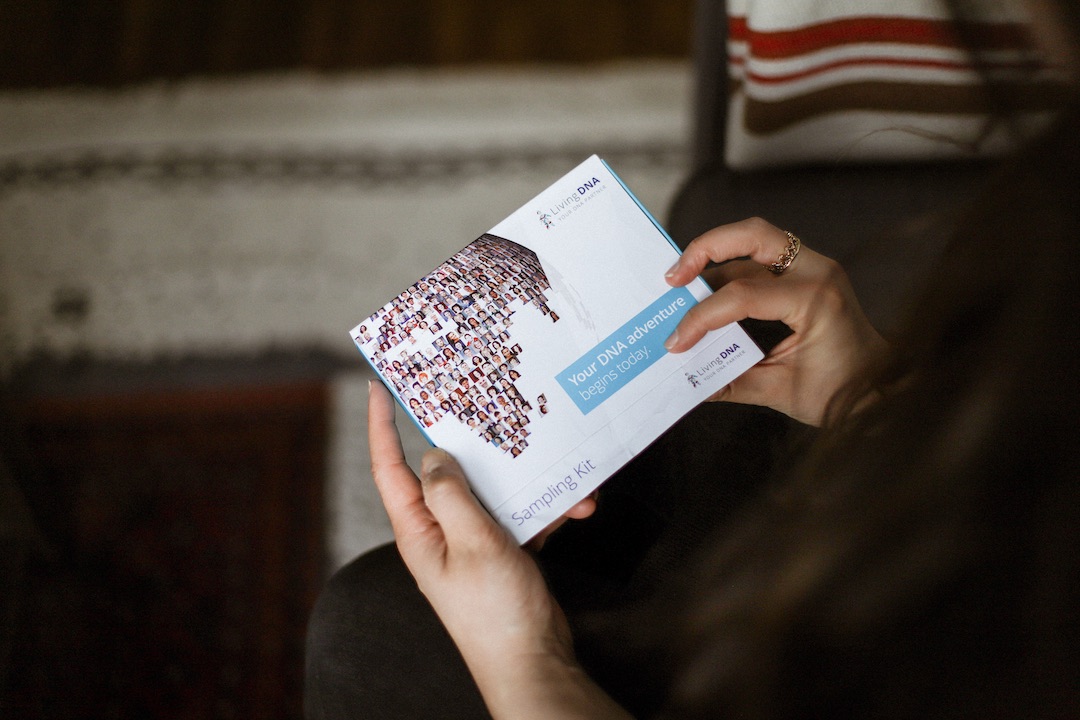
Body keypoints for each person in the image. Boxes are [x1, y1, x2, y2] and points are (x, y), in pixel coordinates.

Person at [305, 2, 1079, 717]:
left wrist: (524, 658)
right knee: (699, 400)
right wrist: (866, 397)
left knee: (372, 622)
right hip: (970, 565)